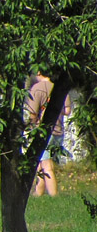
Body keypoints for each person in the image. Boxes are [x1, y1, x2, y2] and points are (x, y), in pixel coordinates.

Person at [25, 69, 71, 197]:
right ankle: (38, 193)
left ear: (39, 73)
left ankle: (53, 195)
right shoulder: (59, 88)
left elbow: (32, 113)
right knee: (40, 164)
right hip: (58, 131)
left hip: (44, 132)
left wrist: (32, 125)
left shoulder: (37, 89)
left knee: (47, 165)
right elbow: (67, 111)